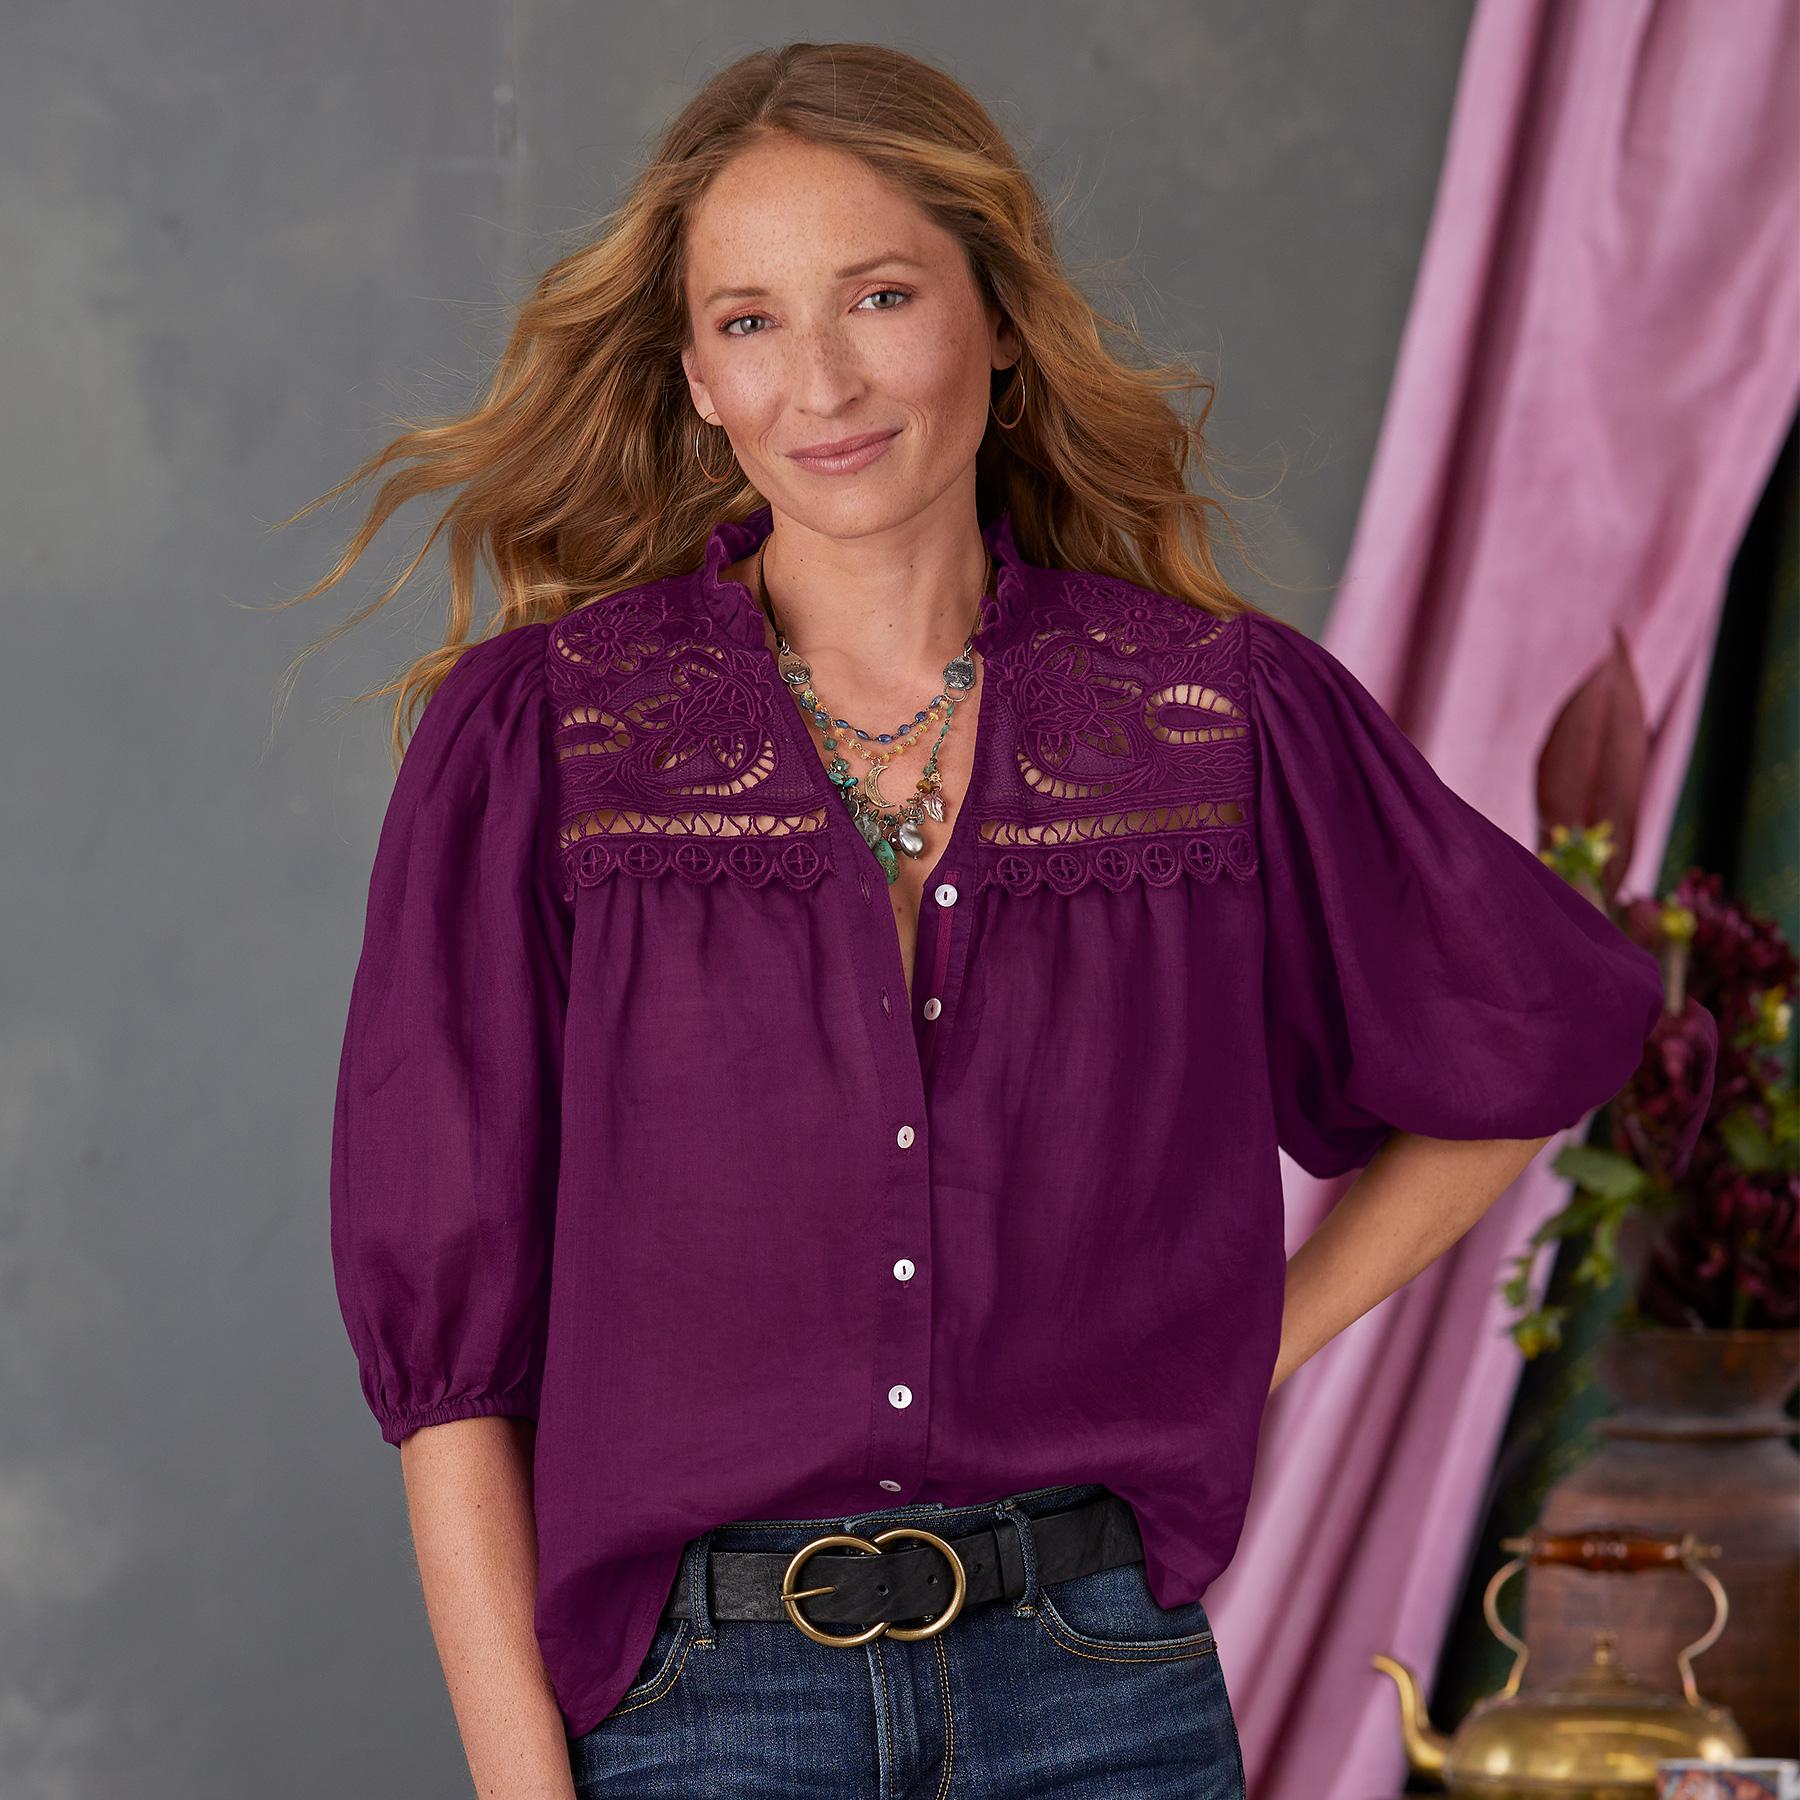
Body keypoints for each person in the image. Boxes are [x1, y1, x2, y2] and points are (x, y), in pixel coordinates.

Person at [303, 39, 1713, 1800]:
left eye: (880, 296)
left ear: (999, 320)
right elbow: (452, 1355)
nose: (822, 379)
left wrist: (1235, 1350)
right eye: (751, 321)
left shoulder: (1213, 719)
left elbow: (1529, 1037)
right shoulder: (549, 740)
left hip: (1102, 1698)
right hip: (703, 1715)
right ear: (697, 378)